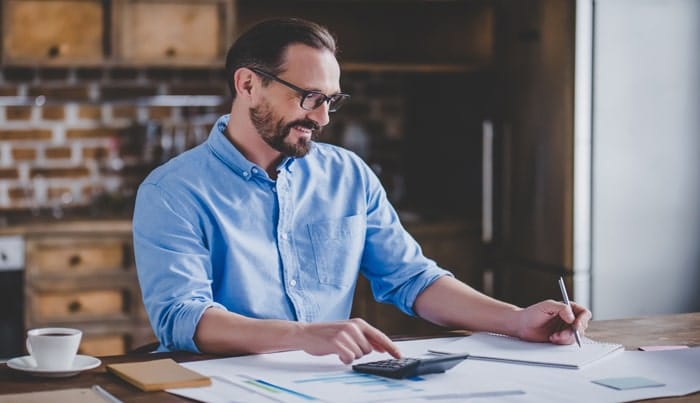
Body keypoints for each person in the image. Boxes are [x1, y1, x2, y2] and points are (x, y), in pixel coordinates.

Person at [133, 17, 591, 364]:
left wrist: (516, 320)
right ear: (249, 84)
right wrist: (303, 335)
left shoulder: (347, 175)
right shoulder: (172, 191)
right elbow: (181, 318)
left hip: (328, 385)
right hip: (222, 386)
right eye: (309, 97)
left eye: (331, 100)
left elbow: (411, 279)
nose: (323, 118)